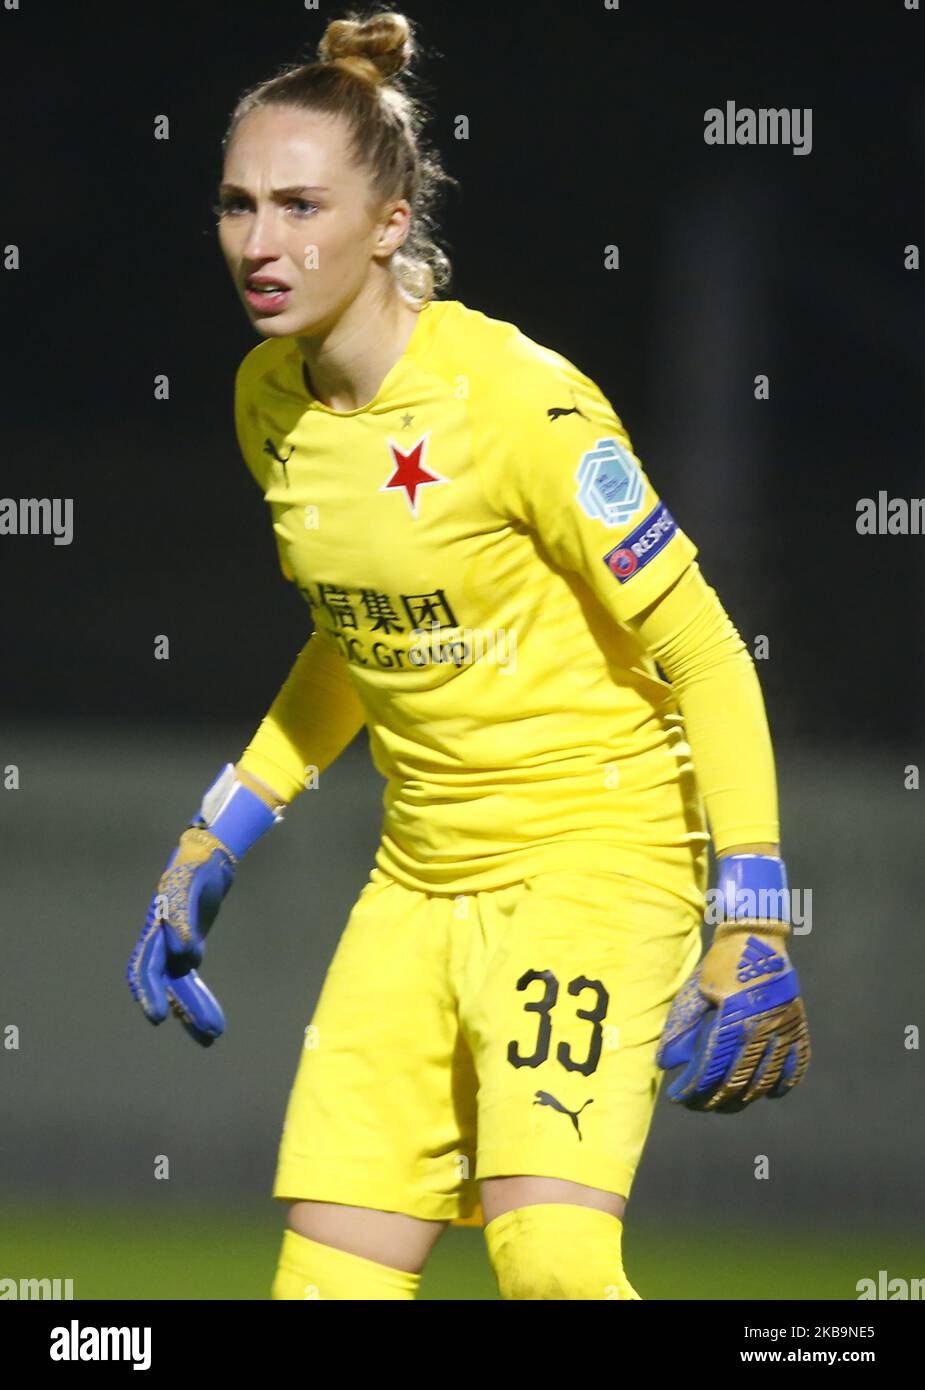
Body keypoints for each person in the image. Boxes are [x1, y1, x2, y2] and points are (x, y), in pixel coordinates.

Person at [127, 8, 811, 1301]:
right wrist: (221, 829)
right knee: (320, 1289)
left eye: (299, 205)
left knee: (550, 1263)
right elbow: (358, 643)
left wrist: (755, 907)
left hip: (593, 863)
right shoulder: (265, 402)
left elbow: (707, 651)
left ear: (389, 223)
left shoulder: (520, 403)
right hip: (415, 885)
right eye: (236, 206)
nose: (261, 244)